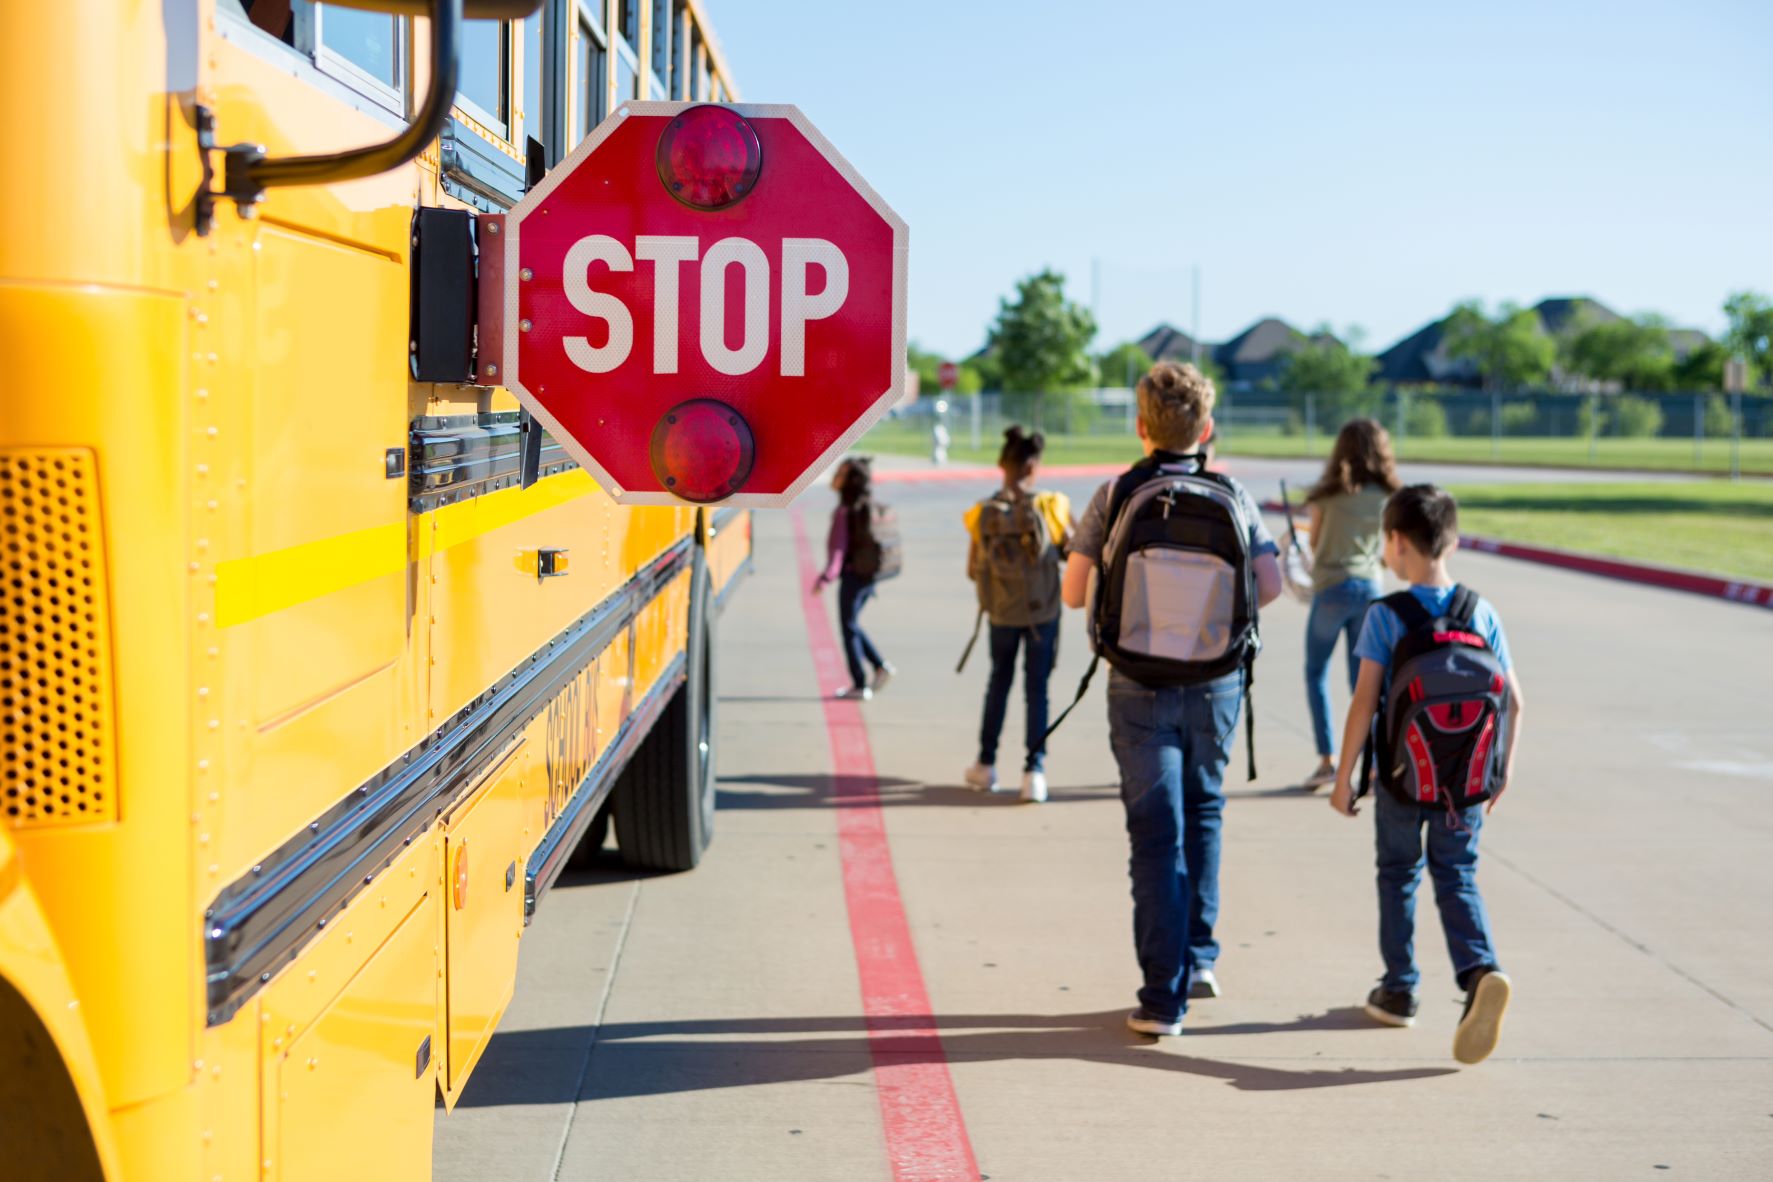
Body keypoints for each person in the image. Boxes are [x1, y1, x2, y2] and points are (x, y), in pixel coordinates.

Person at [1061, 362, 1283, 1035]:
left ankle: (1162, 998)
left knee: (1155, 836)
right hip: (1212, 681)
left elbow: (1073, 593)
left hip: (1135, 681)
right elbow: (1269, 586)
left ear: (1140, 426)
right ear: (1206, 429)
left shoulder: (1115, 491)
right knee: (1204, 811)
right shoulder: (1233, 494)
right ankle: (1199, 954)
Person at [1329, 484, 1524, 1065]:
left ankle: (1399, 989)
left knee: (1397, 874)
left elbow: (1365, 702)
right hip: (1465, 782)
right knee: (1457, 875)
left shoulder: (1386, 616)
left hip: (1400, 778)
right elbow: (1514, 699)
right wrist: (1501, 770)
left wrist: (1345, 779)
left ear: (1394, 544)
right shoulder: (1480, 611)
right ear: (1453, 541)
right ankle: (1479, 971)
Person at [960, 427, 1075, 803]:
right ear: (1034, 466)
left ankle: (985, 764)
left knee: (999, 683)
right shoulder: (1053, 505)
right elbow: (1073, 555)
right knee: (1036, 689)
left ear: (1001, 465)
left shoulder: (981, 512)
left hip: (1001, 615)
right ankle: (1034, 772)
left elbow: (973, 569)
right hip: (1042, 615)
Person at [1298, 419, 1402, 790]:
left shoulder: (1325, 495)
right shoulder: (1387, 496)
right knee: (1366, 682)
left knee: (1315, 672)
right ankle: (1372, 768)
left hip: (1331, 587)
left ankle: (1327, 759)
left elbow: (1314, 545)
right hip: (1371, 589)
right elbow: (1389, 552)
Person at [813, 457, 896, 700]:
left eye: (839, 473)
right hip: (869, 576)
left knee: (848, 628)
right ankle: (880, 667)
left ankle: (860, 684)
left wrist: (825, 578)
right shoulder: (865, 506)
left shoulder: (844, 512)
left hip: (852, 577)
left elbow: (837, 551)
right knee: (853, 624)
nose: (834, 477)